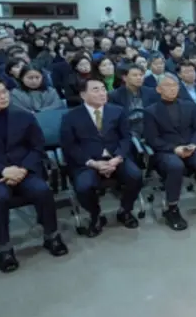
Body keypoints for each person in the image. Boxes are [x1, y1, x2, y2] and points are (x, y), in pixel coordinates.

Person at [0, 79, 68, 272]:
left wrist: (23, 169)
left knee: (42, 190)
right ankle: (5, 249)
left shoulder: (24, 117)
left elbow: (37, 146)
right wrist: (1, 171)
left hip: (24, 170)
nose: (3, 96)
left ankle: (52, 236)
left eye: (4, 92)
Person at [143, 74, 196, 230]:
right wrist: (174, 149)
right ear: (158, 89)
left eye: (175, 86)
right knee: (175, 166)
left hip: (191, 146)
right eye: (167, 86)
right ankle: (172, 208)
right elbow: (152, 139)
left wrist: (194, 145)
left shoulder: (189, 105)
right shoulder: (151, 111)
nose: (172, 89)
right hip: (166, 151)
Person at [60, 78, 143, 236]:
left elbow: (126, 138)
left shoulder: (117, 111)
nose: (102, 93)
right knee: (83, 187)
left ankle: (125, 210)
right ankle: (96, 215)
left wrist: (117, 158)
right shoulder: (70, 117)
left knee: (135, 176)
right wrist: (93, 163)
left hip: (115, 158)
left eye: (103, 89)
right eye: (96, 90)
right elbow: (70, 146)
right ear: (83, 95)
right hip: (88, 161)